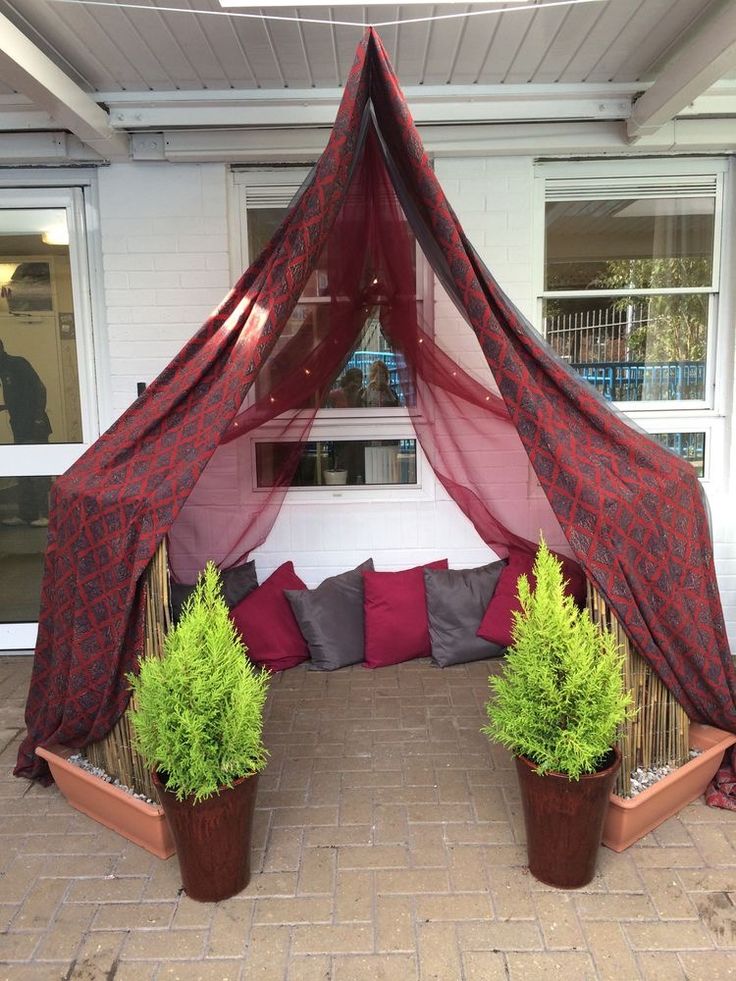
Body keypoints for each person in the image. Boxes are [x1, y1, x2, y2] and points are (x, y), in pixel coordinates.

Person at [0, 340, 52, 527]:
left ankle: (47, 515)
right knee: (23, 470)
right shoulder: (4, 370)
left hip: (33, 426)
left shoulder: (17, 364)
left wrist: (37, 418)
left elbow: (40, 389)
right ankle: (26, 514)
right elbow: (20, 398)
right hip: (20, 427)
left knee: (38, 471)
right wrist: (5, 407)